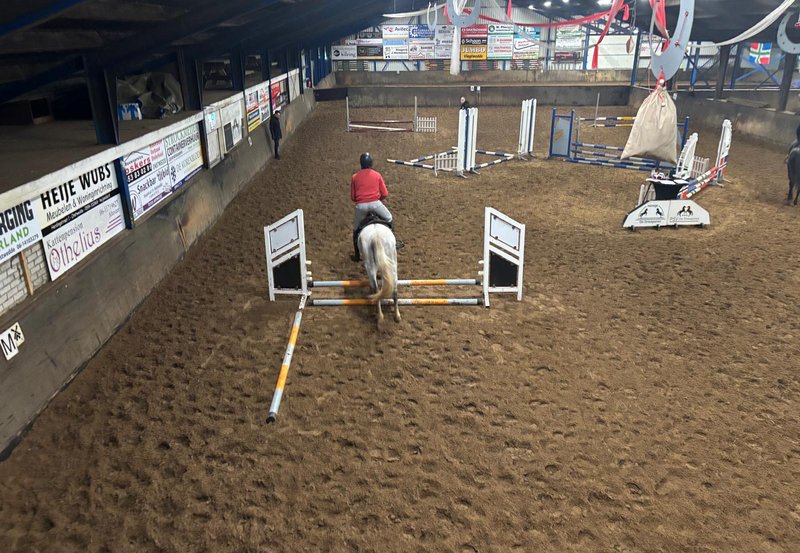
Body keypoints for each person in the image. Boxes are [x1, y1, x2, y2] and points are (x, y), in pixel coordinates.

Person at [350, 153, 403, 261]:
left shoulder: (354, 177)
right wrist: (379, 199)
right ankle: (394, 242)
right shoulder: (377, 175)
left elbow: (353, 197)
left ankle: (356, 254)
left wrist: (361, 200)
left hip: (361, 206)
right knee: (389, 218)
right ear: (371, 163)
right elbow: (385, 193)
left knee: (356, 229)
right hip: (375, 204)